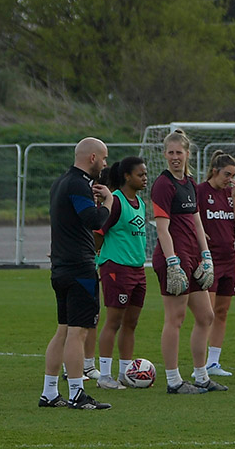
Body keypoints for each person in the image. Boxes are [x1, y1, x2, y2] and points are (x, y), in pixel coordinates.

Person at [40, 137, 114, 410]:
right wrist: (108, 201)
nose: (105, 164)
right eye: (104, 158)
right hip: (79, 267)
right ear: (92, 158)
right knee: (78, 333)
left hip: (60, 267)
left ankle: (49, 393)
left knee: (62, 331)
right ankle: (76, 394)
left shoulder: (60, 182)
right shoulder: (78, 184)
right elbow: (93, 221)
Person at [151, 130, 225, 394]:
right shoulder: (163, 184)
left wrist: (206, 256)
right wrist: (172, 262)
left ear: (187, 154)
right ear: (164, 154)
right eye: (170, 153)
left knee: (206, 316)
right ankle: (173, 380)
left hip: (193, 257)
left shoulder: (190, 183)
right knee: (176, 317)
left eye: (178, 152)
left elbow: (196, 220)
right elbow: (162, 229)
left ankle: (201, 375)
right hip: (174, 258)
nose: (174, 157)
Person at [94, 156, 150, 391]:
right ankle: (104, 375)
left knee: (132, 323)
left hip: (137, 269)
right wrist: (97, 258)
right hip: (116, 267)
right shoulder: (115, 202)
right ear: (127, 176)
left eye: (146, 174)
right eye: (141, 174)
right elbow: (98, 232)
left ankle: (126, 373)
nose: (145, 178)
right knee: (114, 321)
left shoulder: (140, 202)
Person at [197, 150, 235, 378]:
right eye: (227, 174)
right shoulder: (200, 192)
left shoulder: (229, 194)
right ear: (215, 171)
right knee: (208, 313)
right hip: (210, 260)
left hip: (229, 260)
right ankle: (200, 364)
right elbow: (189, 218)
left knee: (222, 312)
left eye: (234, 175)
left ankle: (213, 362)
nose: (230, 179)